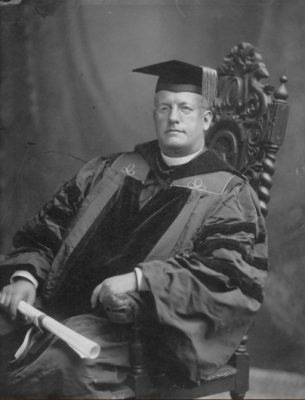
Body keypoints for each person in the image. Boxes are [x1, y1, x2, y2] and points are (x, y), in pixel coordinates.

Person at [0, 60, 268, 399]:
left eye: (185, 108)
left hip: (140, 329)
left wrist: (141, 280)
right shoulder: (110, 168)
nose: (173, 117)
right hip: (52, 302)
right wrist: (26, 276)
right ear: (154, 114)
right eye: (164, 107)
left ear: (207, 119)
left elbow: (227, 274)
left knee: (60, 366)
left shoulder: (228, 193)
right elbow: (49, 227)